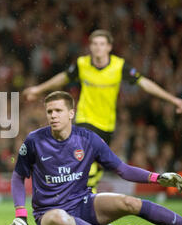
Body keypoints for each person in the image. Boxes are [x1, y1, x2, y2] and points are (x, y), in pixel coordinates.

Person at [23, 30, 182, 193]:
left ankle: (88, 196)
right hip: (85, 120)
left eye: (102, 44)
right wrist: (38, 89)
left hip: (107, 124)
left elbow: (144, 83)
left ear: (109, 47)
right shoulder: (82, 64)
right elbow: (63, 77)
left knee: (95, 163)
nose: (98, 48)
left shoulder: (119, 66)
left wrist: (173, 99)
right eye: (94, 44)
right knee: (84, 157)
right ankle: (84, 198)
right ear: (90, 47)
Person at [7, 91, 182, 225]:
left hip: (83, 204)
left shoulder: (88, 139)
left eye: (58, 110)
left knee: (131, 203)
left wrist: (157, 178)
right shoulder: (34, 141)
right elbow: (18, 176)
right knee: (60, 219)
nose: (53, 115)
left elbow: (122, 169)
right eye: (49, 111)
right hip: (49, 213)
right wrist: (21, 216)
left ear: (71, 113)